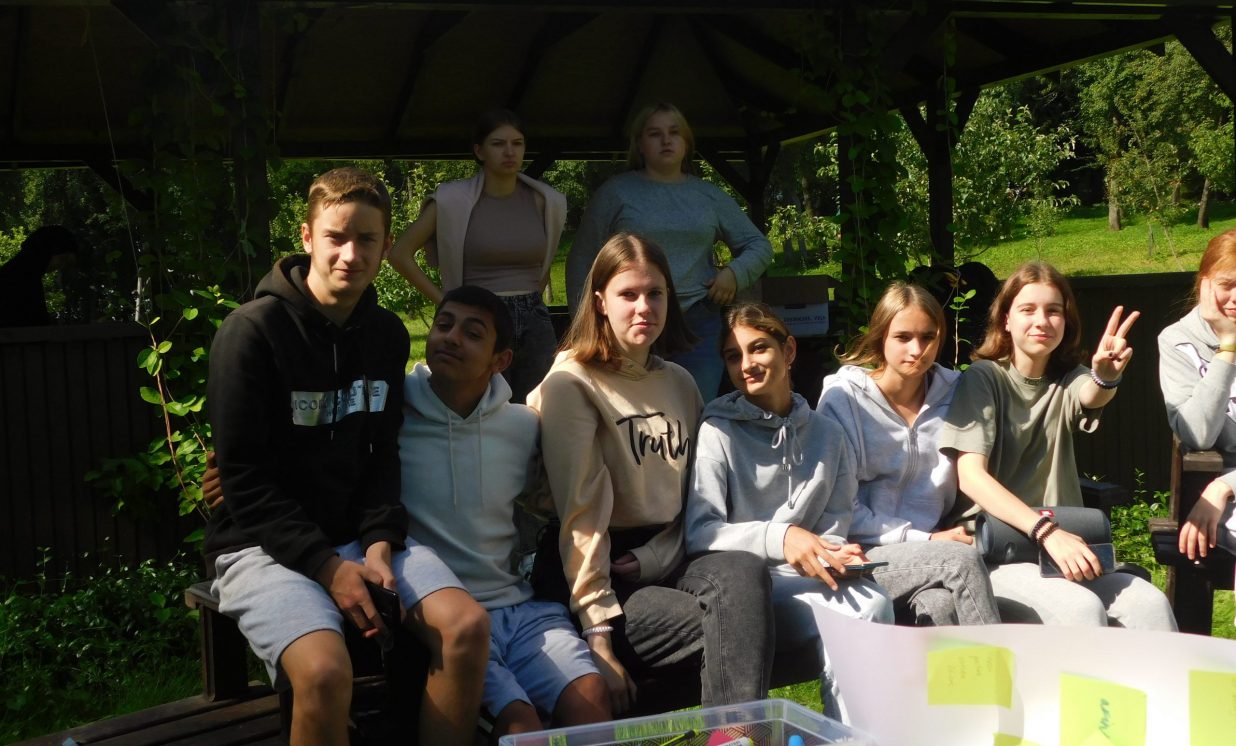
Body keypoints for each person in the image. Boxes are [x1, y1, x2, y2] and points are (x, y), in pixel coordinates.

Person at [203, 167, 490, 745]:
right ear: (308, 237)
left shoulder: (385, 335)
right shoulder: (250, 333)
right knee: (324, 674)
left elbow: (382, 453)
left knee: (465, 628)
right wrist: (329, 568)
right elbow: (242, 480)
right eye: (336, 237)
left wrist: (380, 540)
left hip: (357, 537)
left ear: (386, 245)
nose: (351, 255)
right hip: (259, 545)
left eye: (367, 239)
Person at [529, 233, 774, 715]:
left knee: (745, 574)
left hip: (668, 551)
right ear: (600, 302)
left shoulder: (679, 382)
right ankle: (737, 733)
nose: (644, 307)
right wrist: (598, 634)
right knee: (737, 627)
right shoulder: (571, 383)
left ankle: (732, 737)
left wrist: (658, 554)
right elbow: (581, 514)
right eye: (628, 294)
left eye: (655, 293)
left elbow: (702, 492)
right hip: (598, 570)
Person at [398, 285, 610, 738]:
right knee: (521, 726)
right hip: (449, 621)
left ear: (501, 360)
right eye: (444, 325)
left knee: (591, 697)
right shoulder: (392, 415)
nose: (451, 337)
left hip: (518, 606)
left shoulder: (523, 426)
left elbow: (567, 490)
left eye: (472, 333)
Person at [939, 261, 1176, 630]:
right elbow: (971, 476)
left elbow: (1090, 393)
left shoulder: (1069, 379)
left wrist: (1106, 376)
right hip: (997, 550)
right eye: (1028, 309)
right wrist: (1045, 531)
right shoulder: (984, 378)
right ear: (1006, 319)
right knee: (1080, 608)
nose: (1042, 321)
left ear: (1066, 322)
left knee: (1150, 604)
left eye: (1053, 311)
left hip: (1063, 545)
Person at [685, 302, 893, 722]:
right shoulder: (717, 431)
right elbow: (701, 531)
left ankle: (853, 732)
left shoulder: (829, 436)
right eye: (733, 356)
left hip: (806, 579)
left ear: (789, 351)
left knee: (872, 603)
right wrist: (781, 538)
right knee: (856, 614)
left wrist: (833, 554)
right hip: (748, 587)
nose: (746, 364)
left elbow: (833, 526)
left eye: (759, 348)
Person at [817, 283, 1001, 628]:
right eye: (903, 337)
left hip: (932, 549)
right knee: (959, 562)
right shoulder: (844, 400)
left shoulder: (956, 393)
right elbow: (841, 509)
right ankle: (1003, 662)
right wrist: (927, 540)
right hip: (862, 552)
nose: (917, 350)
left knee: (939, 607)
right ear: (880, 338)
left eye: (928, 337)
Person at [565, 103, 774, 400]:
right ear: (640, 144)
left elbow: (759, 245)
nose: (666, 140)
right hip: (632, 319)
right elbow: (582, 258)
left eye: (674, 133)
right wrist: (584, 325)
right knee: (632, 410)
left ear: (686, 142)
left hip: (697, 323)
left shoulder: (708, 195)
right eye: (655, 134)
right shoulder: (615, 192)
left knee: (694, 409)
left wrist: (734, 274)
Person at [387, 109, 567, 403]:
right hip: (479, 318)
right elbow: (400, 254)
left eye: (517, 143)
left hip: (535, 319)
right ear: (479, 151)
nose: (509, 152)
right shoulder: (452, 200)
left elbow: (545, 263)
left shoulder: (546, 201)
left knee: (540, 408)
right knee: (482, 407)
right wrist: (447, 302)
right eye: (498, 144)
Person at [1159, 228, 1236, 564]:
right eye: (1227, 284)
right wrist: (1228, 347)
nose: (1235, 296)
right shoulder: (1177, 341)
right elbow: (1198, 434)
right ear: (1204, 285)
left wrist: (1225, 485)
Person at [0, 225, 78, 328]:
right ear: (45, 252)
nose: (61, 266)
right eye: (62, 259)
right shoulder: (23, 280)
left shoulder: (19, 274)